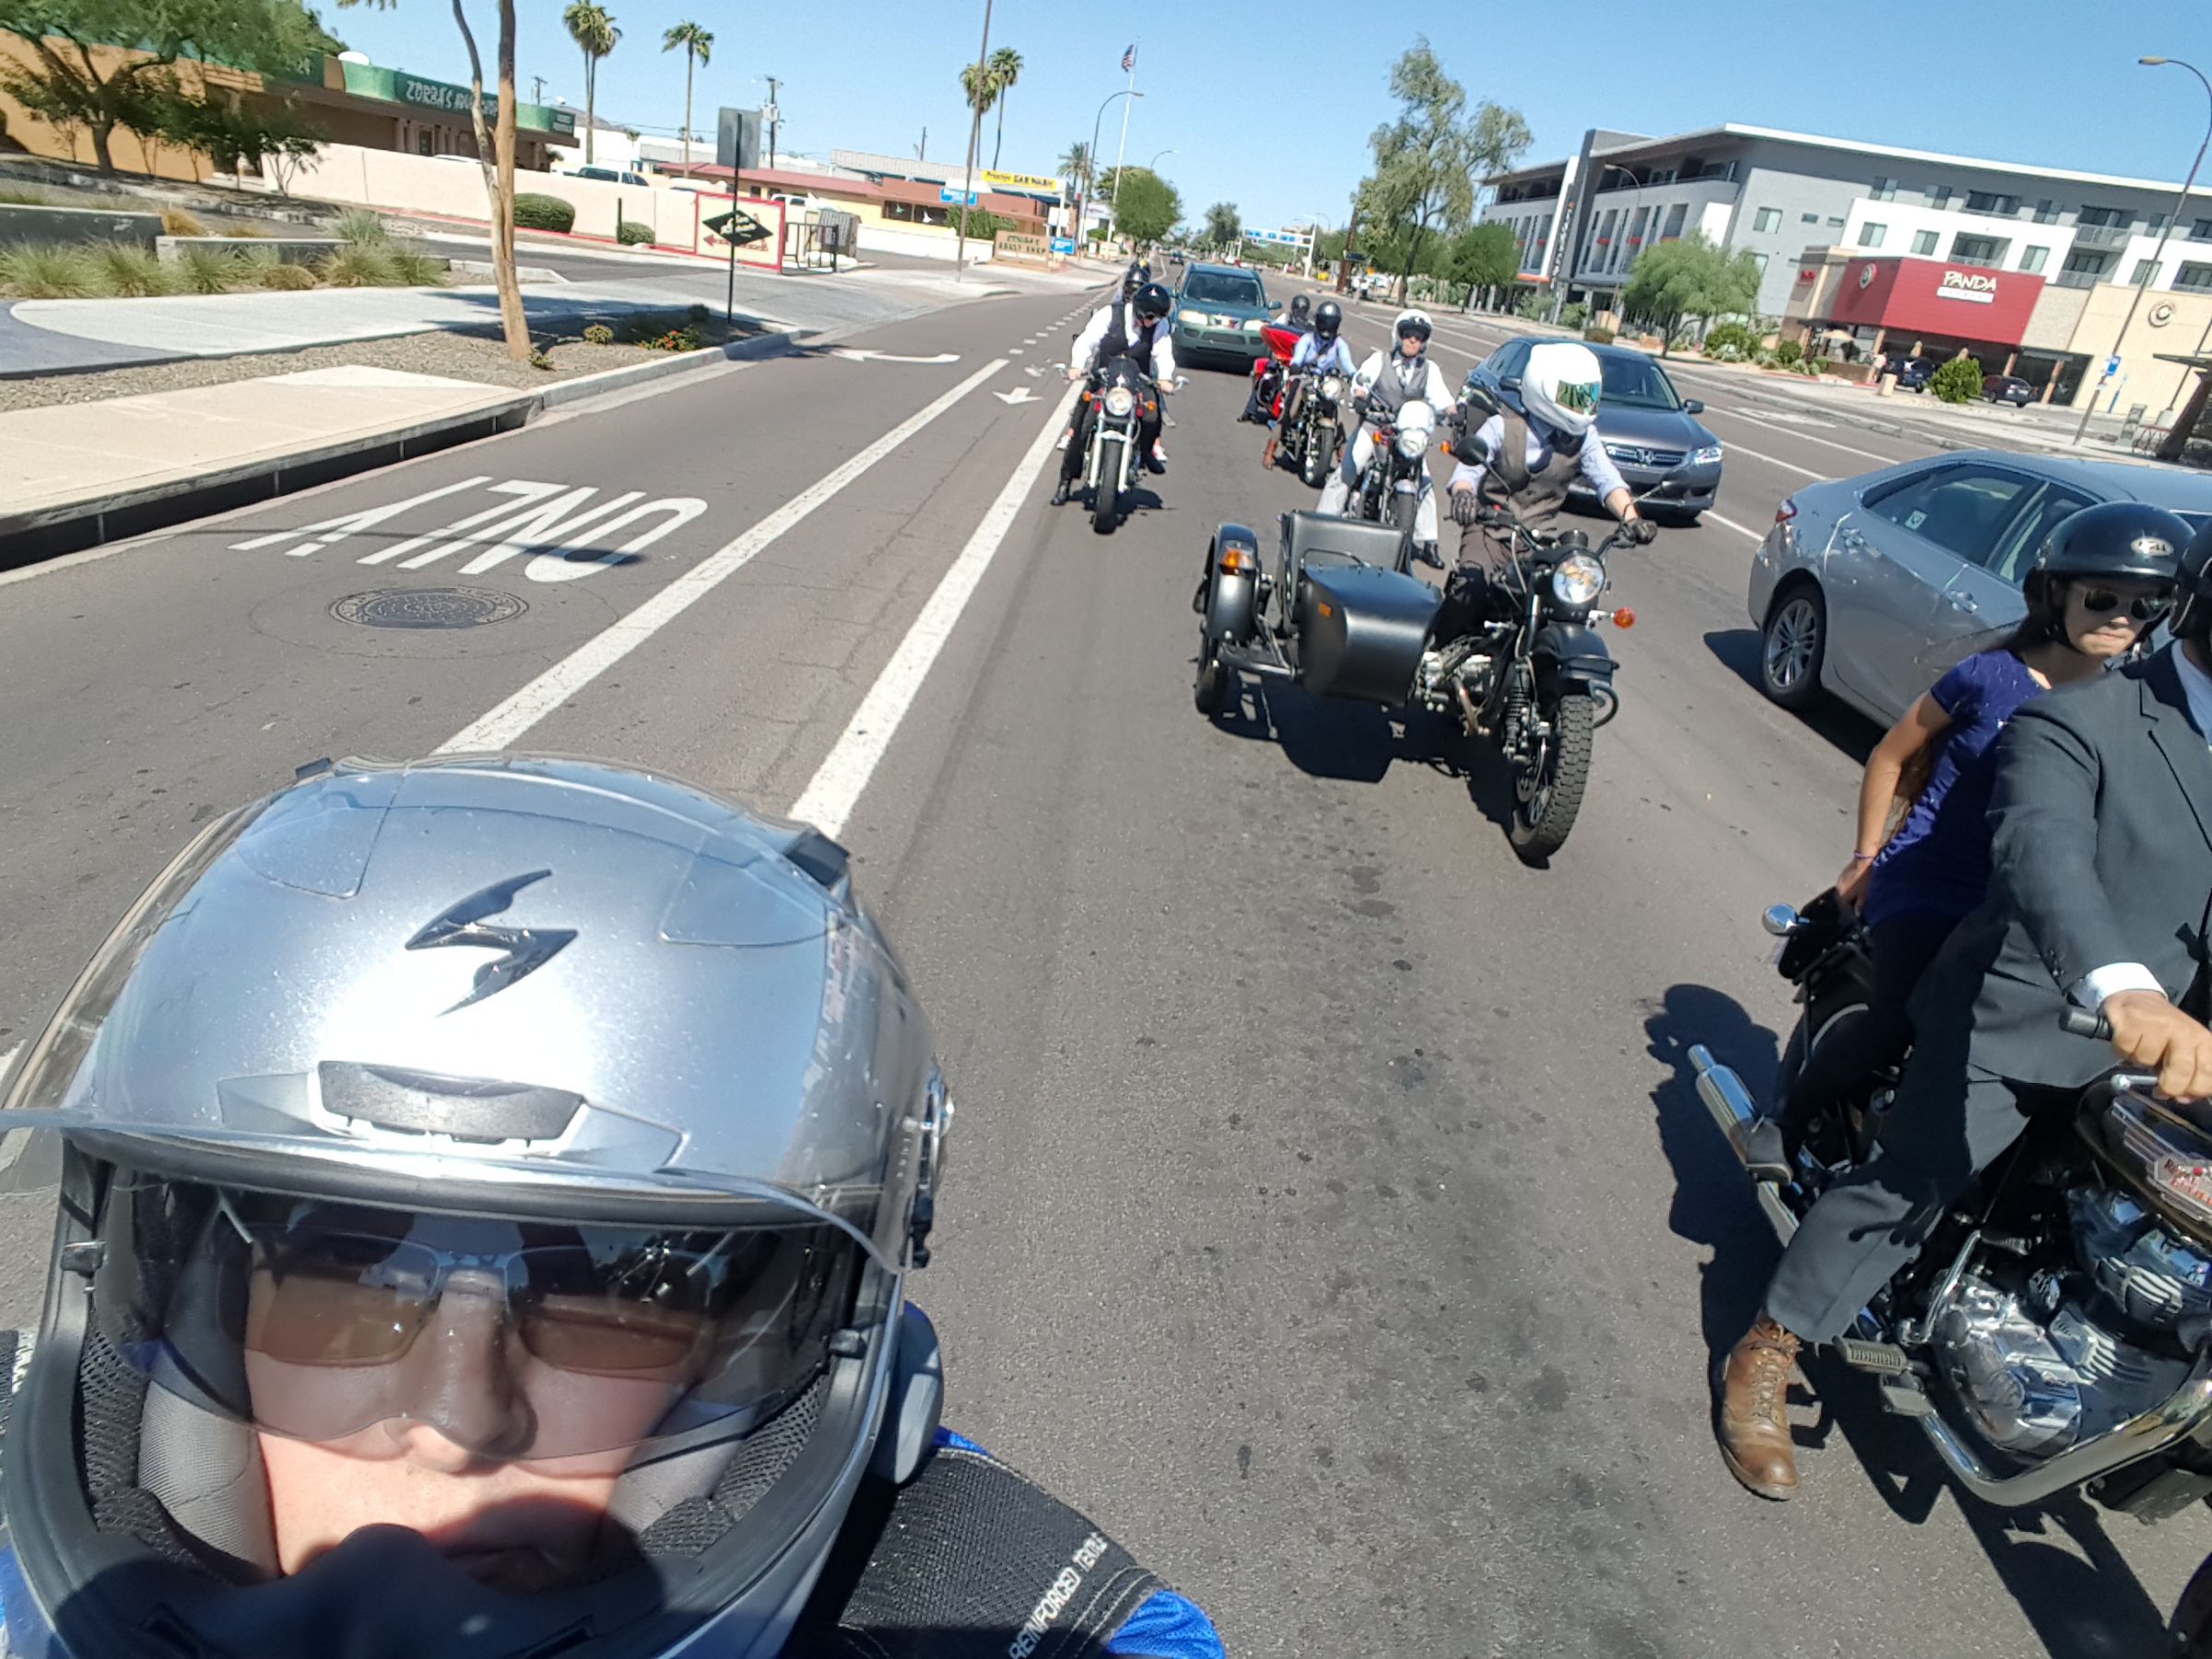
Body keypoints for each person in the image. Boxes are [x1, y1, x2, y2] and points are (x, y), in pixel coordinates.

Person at [0, 757, 1224, 1659]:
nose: (457, 1421)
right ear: (181, 1316)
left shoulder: (1009, 1616)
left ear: (770, 1365)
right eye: (343, 1280)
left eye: (612, 1293)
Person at [1712, 511, 2212, 1506]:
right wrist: (2123, 984)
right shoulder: (2082, 716)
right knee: (1914, 1182)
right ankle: (1770, 1345)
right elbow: (2042, 852)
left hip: (2171, 1059)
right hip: (2029, 1008)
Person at [1741, 502, 2183, 1171]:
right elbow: (1891, 756)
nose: (2123, 618)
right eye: (2103, 598)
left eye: (2145, 605)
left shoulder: (2125, 706)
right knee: (1896, 1020)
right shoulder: (1991, 676)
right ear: (2055, 595)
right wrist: (1865, 858)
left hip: (2018, 908)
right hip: (1929, 882)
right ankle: (1785, 1121)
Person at [1429, 340, 1652, 641]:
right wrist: (1464, 495)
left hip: (1541, 542)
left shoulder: (1584, 438)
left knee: (1567, 602)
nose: (1582, 405)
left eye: (1588, 397)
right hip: (1491, 532)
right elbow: (1467, 472)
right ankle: (1436, 653)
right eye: (1573, 396)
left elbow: (1607, 479)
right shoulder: (1501, 427)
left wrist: (1631, 518)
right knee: (1471, 587)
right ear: (1544, 387)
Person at [1315, 308, 1453, 558]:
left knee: (1424, 481)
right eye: (1408, 335)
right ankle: (1322, 523)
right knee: (1350, 467)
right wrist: (1360, 396)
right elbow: (1361, 380)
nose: (1412, 340)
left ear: (1425, 341)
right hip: (1375, 427)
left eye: (1418, 337)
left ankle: (1428, 542)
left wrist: (1454, 413)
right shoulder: (1380, 360)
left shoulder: (1429, 369)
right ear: (1398, 336)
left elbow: (1442, 398)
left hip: (1407, 434)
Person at [1053, 280, 1177, 504]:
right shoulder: (1110, 314)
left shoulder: (1159, 325)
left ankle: (1146, 452)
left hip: (1138, 381)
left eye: (1157, 318)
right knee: (1081, 426)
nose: (1152, 322)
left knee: (1152, 416)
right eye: (1149, 317)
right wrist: (1077, 365)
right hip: (1103, 379)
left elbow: (1163, 352)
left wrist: (1165, 378)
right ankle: (1065, 481)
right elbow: (1087, 340)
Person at [1262, 299, 1357, 470]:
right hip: (1305, 379)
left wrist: (1355, 376)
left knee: (1337, 418)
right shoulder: (1307, 339)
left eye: (1331, 323)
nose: (1327, 326)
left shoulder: (1339, 343)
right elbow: (1297, 358)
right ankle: (1270, 451)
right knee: (1290, 412)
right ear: (1318, 321)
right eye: (1325, 322)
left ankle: (1344, 464)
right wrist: (1296, 366)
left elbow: (1348, 364)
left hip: (1326, 384)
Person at [1240, 295, 1313, 424]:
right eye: (1298, 308)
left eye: (1303, 308)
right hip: (1283, 354)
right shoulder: (1285, 318)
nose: (1300, 311)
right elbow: (1273, 327)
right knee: (1265, 375)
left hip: (1299, 358)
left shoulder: (1310, 324)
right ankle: (1249, 411)